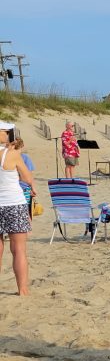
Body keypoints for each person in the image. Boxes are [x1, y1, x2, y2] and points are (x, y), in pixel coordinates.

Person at [0, 122, 36, 296]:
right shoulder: (11, 154)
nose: (9, 135)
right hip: (14, 203)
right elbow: (28, 178)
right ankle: (22, 289)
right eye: (7, 132)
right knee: (19, 249)